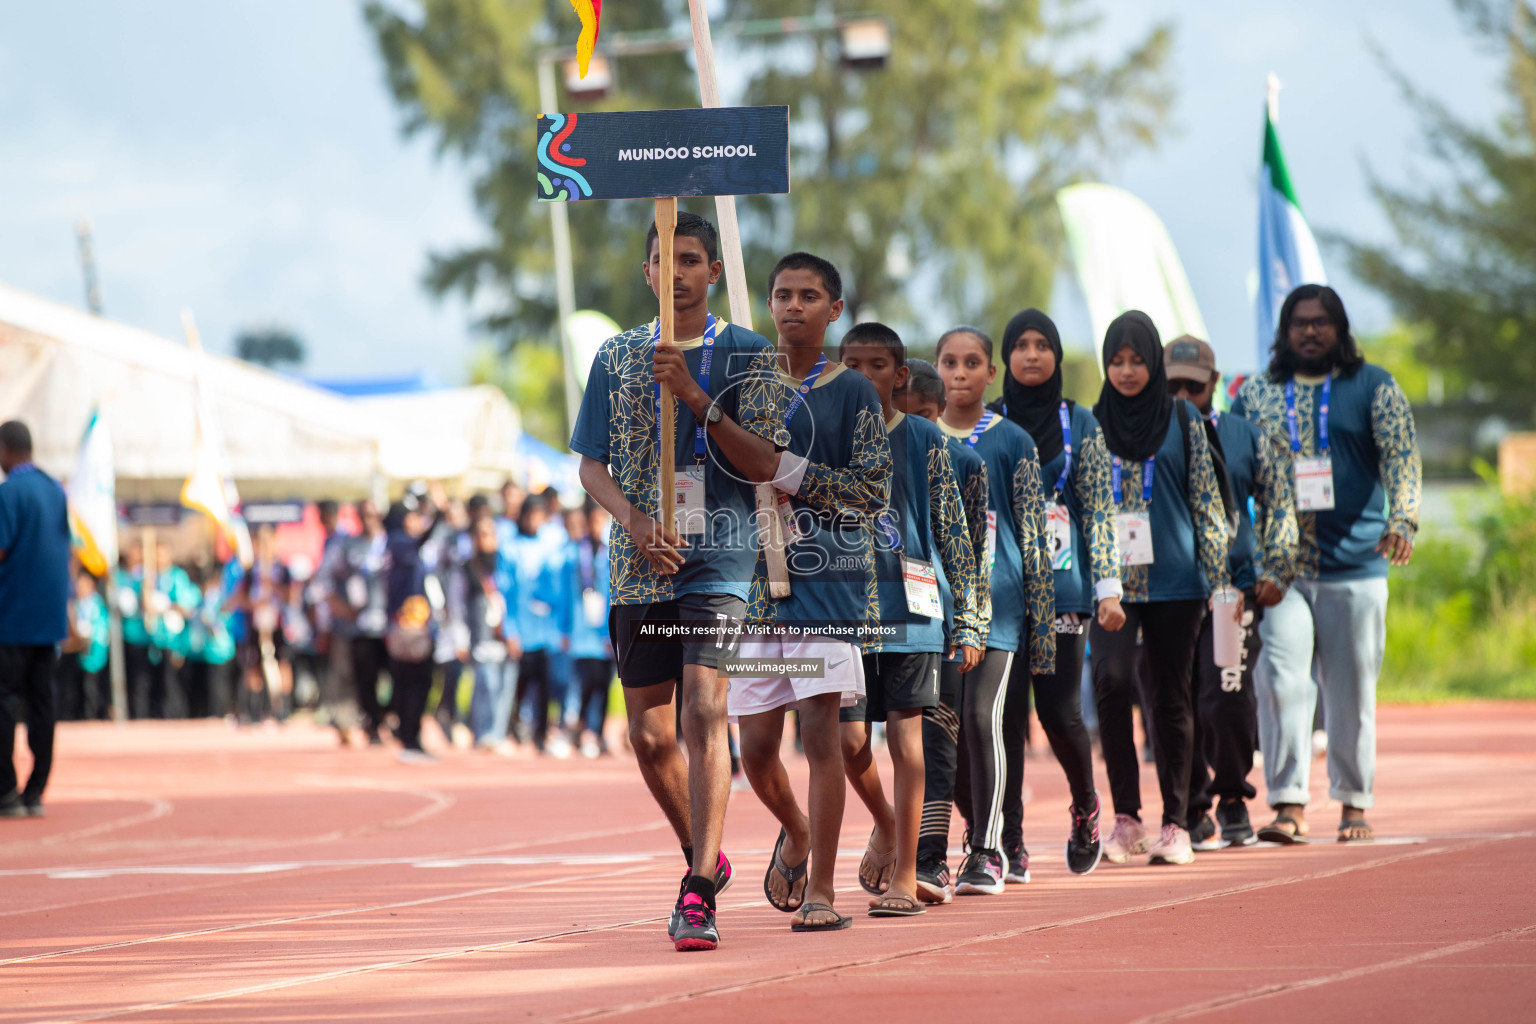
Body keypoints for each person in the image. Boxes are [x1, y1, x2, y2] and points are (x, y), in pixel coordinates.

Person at [571, 211, 784, 952]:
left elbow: (765, 463)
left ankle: (697, 891)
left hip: (721, 558)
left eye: (693, 258)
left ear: (714, 272)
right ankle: (709, 848)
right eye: (666, 258)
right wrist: (632, 520)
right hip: (640, 563)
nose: (680, 271)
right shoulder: (615, 356)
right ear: (648, 272)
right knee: (649, 733)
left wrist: (696, 394)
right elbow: (589, 463)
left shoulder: (752, 354)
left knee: (703, 708)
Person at [730, 255, 888, 933]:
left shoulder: (852, 392)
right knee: (756, 746)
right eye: (783, 295)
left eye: (809, 296)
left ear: (835, 309)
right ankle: (796, 830)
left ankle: (822, 889)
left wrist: (787, 471)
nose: (794, 306)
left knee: (823, 735)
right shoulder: (746, 387)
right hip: (759, 591)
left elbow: (870, 490)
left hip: (827, 587)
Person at [1231, 285, 1420, 844]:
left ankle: (1353, 802)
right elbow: (1229, 469)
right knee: (1281, 680)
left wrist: (1403, 519)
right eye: (1299, 323)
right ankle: (1288, 803)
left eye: (1321, 322)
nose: (1310, 332)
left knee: (1351, 688)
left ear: (1339, 329)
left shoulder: (1374, 386)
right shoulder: (1257, 393)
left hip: (1357, 564)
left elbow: (1402, 457)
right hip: (1279, 571)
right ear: (1284, 332)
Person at [840, 322, 977, 918]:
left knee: (906, 739)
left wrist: (968, 620)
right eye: (853, 364)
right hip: (841, 611)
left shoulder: (924, 439)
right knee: (847, 742)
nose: (865, 376)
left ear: (899, 376)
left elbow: (953, 529)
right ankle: (888, 822)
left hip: (913, 613)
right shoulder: (823, 433)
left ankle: (904, 876)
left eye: (877, 366)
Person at [1089, 312, 1234, 867]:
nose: (1127, 371)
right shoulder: (1091, 423)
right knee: (1111, 684)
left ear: (1153, 363)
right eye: (1117, 361)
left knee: (1171, 697)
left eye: (1137, 360)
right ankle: (1126, 818)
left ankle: (1177, 822)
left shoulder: (1182, 419)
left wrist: (1220, 583)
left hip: (1177, 583)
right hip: (1110, 585)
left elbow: (1207, 503)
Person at [991, 309, 1119, 878]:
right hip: (998, 594)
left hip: (1063, 593)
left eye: (1044, 345)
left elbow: (1099, 508)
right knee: (1005, 717)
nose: (1033, 355)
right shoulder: (989, 421)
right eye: (1021, 345)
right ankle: (1009, 840)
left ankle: (1086, 805)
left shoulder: (1082, 424)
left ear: (1058, 357)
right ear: (1005, 360)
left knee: (1060, 711)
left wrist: (1109, 588)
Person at [929, 327, 1056, 897]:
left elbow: (1033, 536)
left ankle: (988, 850)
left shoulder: (1015, 442)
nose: (959, 373)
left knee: (983, 721)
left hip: (998, 607)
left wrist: (1041, 627)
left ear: (990, 374)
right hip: (933, 608)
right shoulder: (919, 436)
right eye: (950, 363)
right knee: (942, 731)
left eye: (971, 363)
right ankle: (966, 830)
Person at [1165, 335, 1296, 848]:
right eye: (1171, 385)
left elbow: (1280, 503)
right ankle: (1191, 806)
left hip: (1232, 592)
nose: (1181, 396)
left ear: (1214, 385)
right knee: (1176, 701)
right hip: (1167, 593)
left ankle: (1233, 797)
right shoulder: (1148, 436)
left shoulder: (1246, 436)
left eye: (1192, 387)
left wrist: (1275, 570)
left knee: (1227, 696)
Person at [0, 420, 70, 818]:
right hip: (48, 619)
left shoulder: (9, 493)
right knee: (43, 703)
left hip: (11, 618)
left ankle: (6, 791)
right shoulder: (55, 490)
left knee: (4, 702)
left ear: (7, 450)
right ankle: (36, 790)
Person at [450, 513, 521, 754]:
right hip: (481, 639)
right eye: (481, 534)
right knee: (486, 686)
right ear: (472, 538)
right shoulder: (466, 568)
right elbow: (456, 606)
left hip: (507, 637)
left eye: (491, 534)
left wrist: (515, 633)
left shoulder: (506, 564)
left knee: (505, 689)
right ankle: (483, 734)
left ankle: (498, 734)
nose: (487, 539)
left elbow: (516, 600)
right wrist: (459, 639)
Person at [505, 493, 568, 754]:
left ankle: (541, 734)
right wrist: (510, 631)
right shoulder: (509, 548)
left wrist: (561, 626)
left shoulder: (552, 546)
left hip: (546, 630)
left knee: (545, 684)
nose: (533, 521)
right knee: (519, 683)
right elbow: (505, 591)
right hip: (521, 629)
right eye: (529, 515)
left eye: (538, 515)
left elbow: (560, 590)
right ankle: (514, 727)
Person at [383, 493, 443, 762]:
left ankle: (412, 736)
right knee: (412, 683)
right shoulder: (398, 543)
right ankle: (409, 738)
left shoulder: (402, 546)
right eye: (412, 517)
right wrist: (438, 516)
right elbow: (422, 540)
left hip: (417, 626)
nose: (417, 522)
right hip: (407, 628)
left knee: (420, 682)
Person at [328, 500, 391, 744]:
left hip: (391, 624)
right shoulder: (347, 546)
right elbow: (325, 580)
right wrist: (341, 609)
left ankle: (387, 715)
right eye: (364, 515)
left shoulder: (391, 544)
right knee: (365, 678)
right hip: (360, 627)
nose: (369, 519)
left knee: (397, 675)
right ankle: (372, 723)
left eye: (373, 514)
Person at [228, 525, 292, 724]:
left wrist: (272, 585)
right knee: (253, 665)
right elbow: (240, 598)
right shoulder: (249, 571)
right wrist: (254, 603)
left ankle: (282, 707)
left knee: (281, 664)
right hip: (255, 625)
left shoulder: (282, 569)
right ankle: (255, 709)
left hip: (277, 624)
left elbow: (290, 596)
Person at [564, 504, 613, 758]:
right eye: (592, 521)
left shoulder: (611, 553)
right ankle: (581, 726)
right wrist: (564, 629)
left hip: (605, 632)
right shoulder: (574, 554)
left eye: (600, 521)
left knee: (603, 684)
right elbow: (565, 594)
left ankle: (599, 731)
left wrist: (611, 632)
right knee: (586, 681)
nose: (596, 526)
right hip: (582, 632)